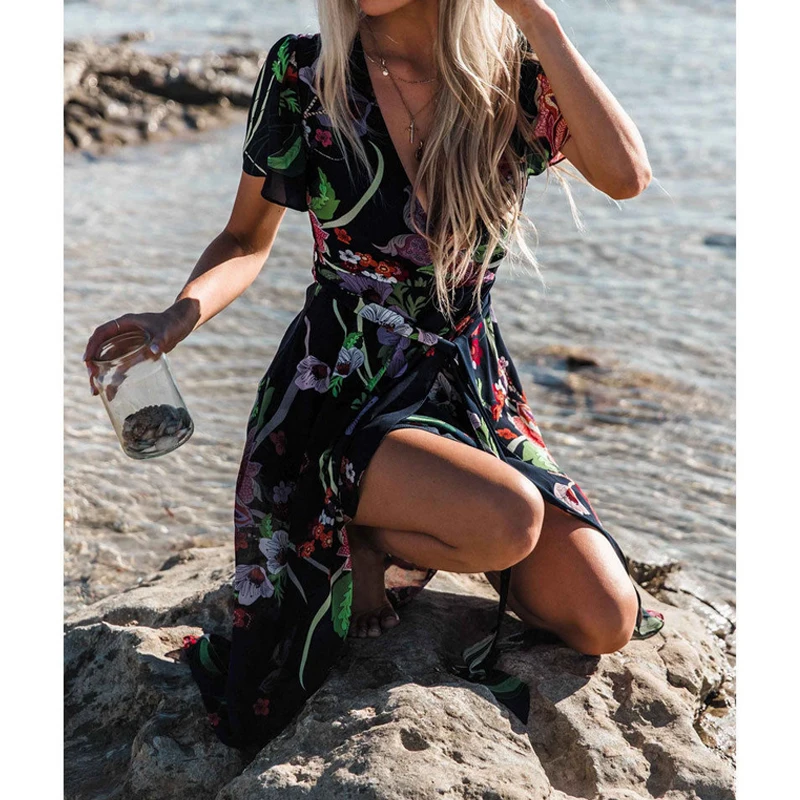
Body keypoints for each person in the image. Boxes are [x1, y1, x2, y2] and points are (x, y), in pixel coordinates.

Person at [82, 0, 665, 752]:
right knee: (509, 519)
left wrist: (537, 19)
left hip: (470, 384)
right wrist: (175, 318)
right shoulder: (304, 73)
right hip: (341, 390)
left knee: (604, 617)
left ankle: (376, 532)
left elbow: (626, 176)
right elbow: (244, 237)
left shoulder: (511, 79)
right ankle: (344, 524)